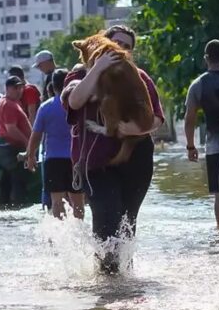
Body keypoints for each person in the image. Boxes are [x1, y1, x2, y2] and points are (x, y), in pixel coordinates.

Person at [61, 25, 165, 273]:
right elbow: (75, 101)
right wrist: (98, 67)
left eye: (127, 47)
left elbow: (157, 119)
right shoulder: (77, 77)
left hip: (136, 160)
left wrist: (132, 129)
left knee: (127, 223)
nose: (121, 50)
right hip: (96, 164)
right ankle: (106, 285)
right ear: (103, 44)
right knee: (107, 221)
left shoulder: (138, 76)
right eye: (116, 44)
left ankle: (125, 282)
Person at [25, 68, 85, 219]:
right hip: (75, 159)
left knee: (56, 202)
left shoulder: (46, 107)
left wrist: (30, 156)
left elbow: (36, 135)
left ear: (52, 85)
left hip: (53, 160)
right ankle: (79, 234)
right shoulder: (79, 105)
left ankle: (59, 235)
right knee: (78, 202)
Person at [184, 39, 219, 227]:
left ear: (206, 59)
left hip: (214, 147)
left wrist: (190, 146)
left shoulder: (198, 84)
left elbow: (189, 118)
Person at [0, 76, 34, 206]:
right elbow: (11, 129)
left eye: (20, 87)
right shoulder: (9, 104)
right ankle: (19, 210)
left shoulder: (3, 101)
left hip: (4, 146)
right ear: (7, 88)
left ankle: (4, 209)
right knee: (19, 181)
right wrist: (28, 143)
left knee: (6, 181)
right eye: (15, 87)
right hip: (12, 147)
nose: (19, 90)